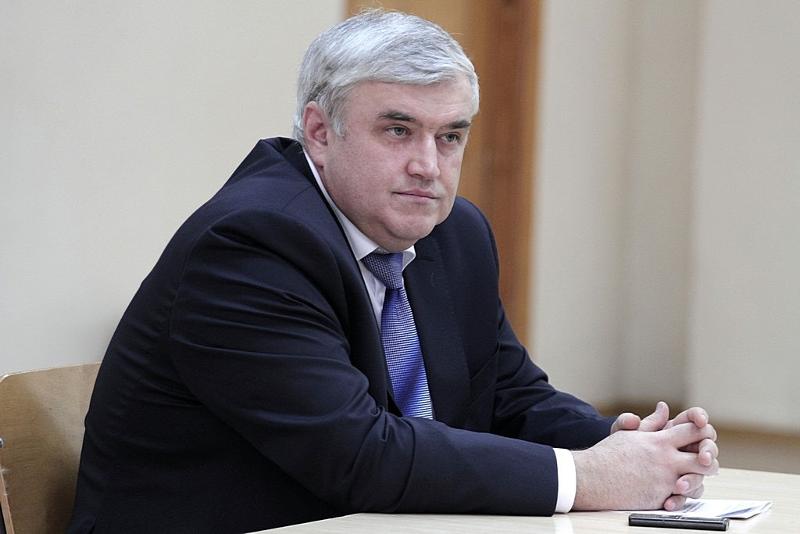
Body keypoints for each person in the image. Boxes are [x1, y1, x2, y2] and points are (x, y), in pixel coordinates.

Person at [68, 10, 718, 533]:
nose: (428, 167)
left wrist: (628, 445)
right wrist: (589, 476)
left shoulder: (452, 233)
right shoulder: (252, 245)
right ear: (320, 132)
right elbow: (359, 454)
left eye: (450, 136)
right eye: (398, 131)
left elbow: (507, 395)